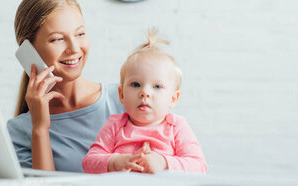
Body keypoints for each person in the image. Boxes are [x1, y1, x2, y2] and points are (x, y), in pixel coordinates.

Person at [7, 0, 125, 172]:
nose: (74, 48)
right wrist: (40, 128)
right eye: (58, 39)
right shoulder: (20, 130)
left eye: (80, 34)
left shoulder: (125, 99)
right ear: (28, 49)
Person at [82, 28, 208, 174]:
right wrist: (115, 162)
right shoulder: (115, 125)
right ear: (121, 94)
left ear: (173, 99)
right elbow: (89, 162)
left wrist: (164, 162)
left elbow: (199, 167)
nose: (145, 93)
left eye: (157, 86)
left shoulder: (176, 127)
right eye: (136, 84)